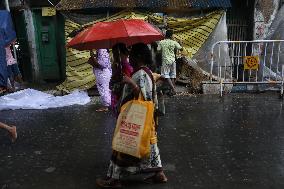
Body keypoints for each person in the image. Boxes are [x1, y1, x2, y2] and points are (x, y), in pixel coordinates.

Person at [96, 43, 167, 188]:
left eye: (133, 54)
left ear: (139, 56)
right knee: (150, 144)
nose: (130, 57)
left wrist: (130, 83)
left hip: (135, 115)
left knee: (123, 144)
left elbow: (145, 97)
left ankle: (115, 179)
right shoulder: (141, 71)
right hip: (145, 118)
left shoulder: (141, 74)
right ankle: (158, 173)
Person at [157, 29, 183, 95]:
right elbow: (181, 49)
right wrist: (180, 42)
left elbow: (158, 50)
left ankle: (173, 89)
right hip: (173, 61)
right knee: (173, 75)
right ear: (171, 36)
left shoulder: (161, 42)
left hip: (165, 61)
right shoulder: (174, 42)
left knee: (166, 75)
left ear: (165, 35)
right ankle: (172, 91)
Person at [110, 43, 133, 114]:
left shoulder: (125, 66)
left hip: (123, 96)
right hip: (119, 96)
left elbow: (127, 83)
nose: (114, 56)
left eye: (115, 54)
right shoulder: (119, 65)